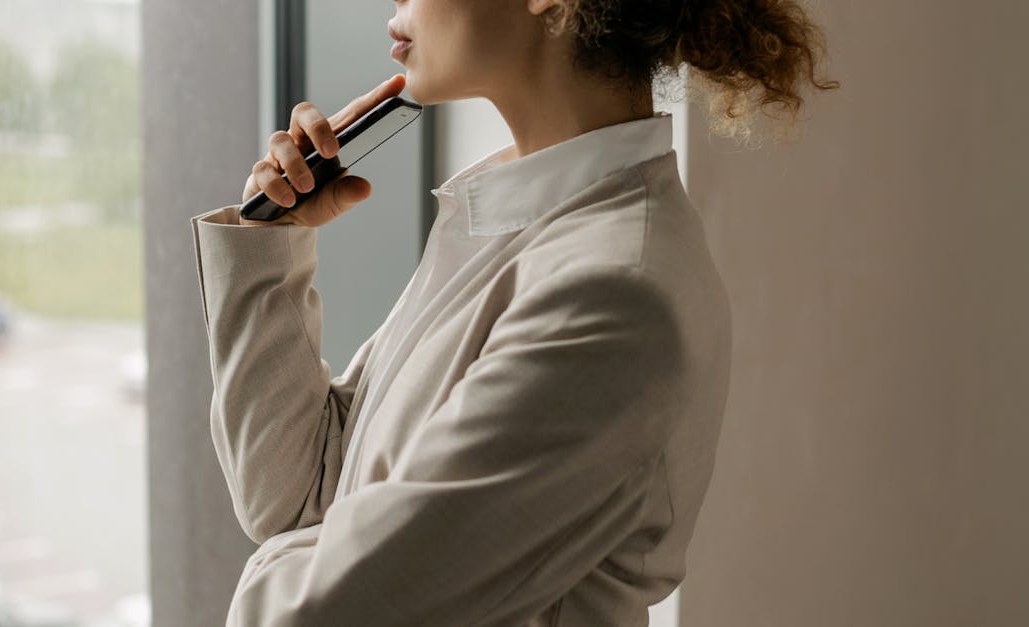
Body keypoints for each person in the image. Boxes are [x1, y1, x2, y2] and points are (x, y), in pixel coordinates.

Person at [189, 1, 838, 625]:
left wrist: (323, 549)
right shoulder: (515, 222)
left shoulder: (611, 295)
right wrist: (270, 244)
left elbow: (321, 613)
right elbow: (294, 495)